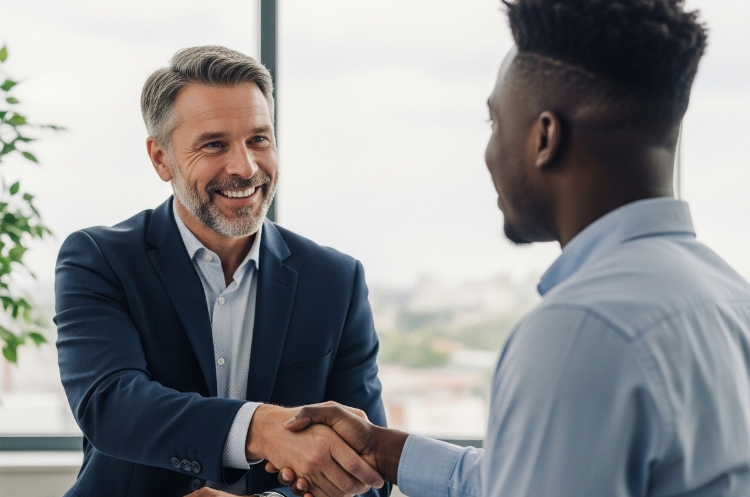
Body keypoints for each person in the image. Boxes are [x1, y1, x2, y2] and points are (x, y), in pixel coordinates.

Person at [268, 1, 750, 496]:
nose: (489, 154)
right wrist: (380, 449)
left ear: (545, 137)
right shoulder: (729, 298)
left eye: (494, 124)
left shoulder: (579, 329)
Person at [54, 46, 389, 497]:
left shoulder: (336, 280)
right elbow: (110, 405)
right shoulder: (99, 258)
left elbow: (368, 470)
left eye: (259, 139)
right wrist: (260, 427)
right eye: (214, 144)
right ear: (161, 159)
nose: (245, 167)